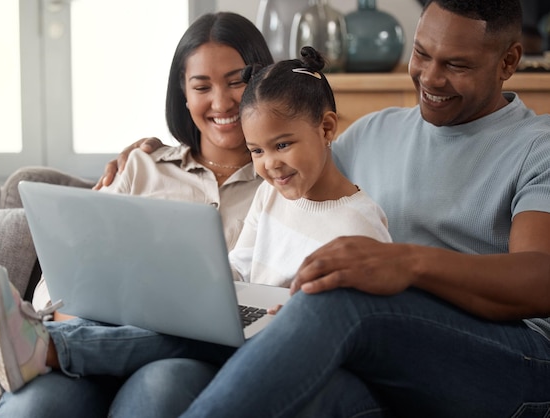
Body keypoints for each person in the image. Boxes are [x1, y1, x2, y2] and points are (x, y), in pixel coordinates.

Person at [103, 0, 550, 416]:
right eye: (421, 54)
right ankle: (59, 345)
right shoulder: (378, 130)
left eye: (456, 65)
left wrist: (405, 263)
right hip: (383, 345)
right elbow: (285, 158)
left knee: (333, 293)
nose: (430, 78)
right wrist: (157, 154)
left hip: (509, 355)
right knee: (221, 367)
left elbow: (540, 279)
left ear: (509, 61)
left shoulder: (537, 146)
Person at [0, 46, 394, 416]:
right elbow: (240, 265)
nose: (269, 164)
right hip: (252, 323)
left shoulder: (357, 219)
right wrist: (205, 290)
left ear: (328, 128)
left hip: (294, 340)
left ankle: (43, 347)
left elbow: (361, 316)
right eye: (258, 150)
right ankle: (34, 341)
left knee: (179, 337)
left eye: (282, 145)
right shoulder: (273, 194)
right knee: (183, 322)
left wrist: (292, 316)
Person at [0, 11, 273, 417]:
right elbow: (64, 274)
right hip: (97, 333)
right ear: (183, 96)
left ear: (263, 81)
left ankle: (37, 344)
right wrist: (69, 306)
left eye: (237, 81)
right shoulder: (140, 167)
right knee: (35, 407)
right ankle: (35, 342)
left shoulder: (286, 182)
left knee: (160, 389)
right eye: (201, 86)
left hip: (188, 356)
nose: (221, 102)